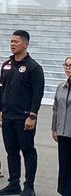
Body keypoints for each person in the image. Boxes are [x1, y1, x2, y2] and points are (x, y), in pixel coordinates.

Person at [0, 29, 45, 196]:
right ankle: (13, 183)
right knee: (11, 151)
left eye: (16, 42)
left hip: (24, 118)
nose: (12, 44)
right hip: (8, 116)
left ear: (26, 44)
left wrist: (32, 116)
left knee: (28, 151)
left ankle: (29, 186)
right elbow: (0, 89)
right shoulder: (6, 65)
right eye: (11, 41)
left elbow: (38, 93)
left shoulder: (34, 67)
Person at [52, 56, 71, 196]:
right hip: (63, 132)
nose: (68, 68)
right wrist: (54, 128)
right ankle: (64, 191)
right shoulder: (61, 87)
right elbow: (55, 109)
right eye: (66, 65)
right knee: (64, 164)